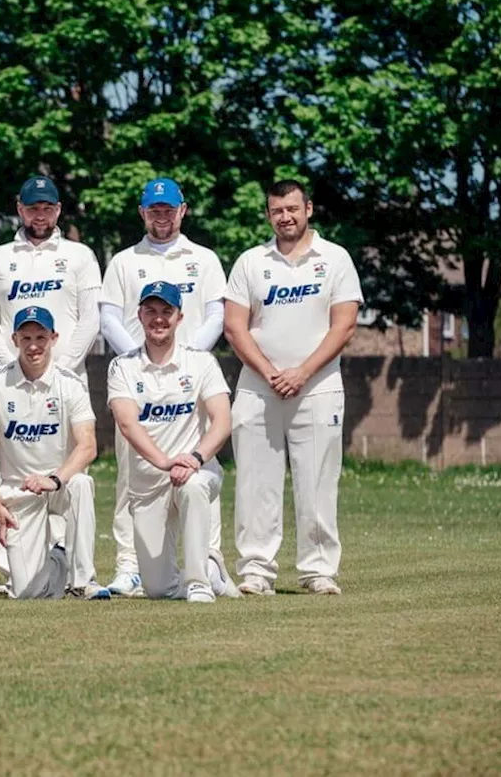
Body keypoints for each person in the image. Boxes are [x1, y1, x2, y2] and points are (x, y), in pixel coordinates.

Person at [223, 180, 363, 596]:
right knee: (254, 484)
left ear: (309, 209)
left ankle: (318, 571)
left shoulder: (335, 259)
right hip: (257, 388)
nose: (285, 217)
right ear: (268, 215)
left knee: (317, 482)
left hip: (318, 388)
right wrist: (270, 373)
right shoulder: (251, 261)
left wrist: (302, 372)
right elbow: (234, 326)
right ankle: (256, 571)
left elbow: (345, 324)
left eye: (292, 209)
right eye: (276, 210)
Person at [99, 177, 228, 598]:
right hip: (139, 378)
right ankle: (129, 565)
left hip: (188, 375)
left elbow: (214, 314)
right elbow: (111, 318)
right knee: (132, 474)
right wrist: (140, 360)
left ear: (182, 210)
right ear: (142, 213)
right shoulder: (123, 261)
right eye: (154, 210)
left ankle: (207, 562)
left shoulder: (204, 258)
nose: (161, 217)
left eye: (168, 209)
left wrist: (186, 357)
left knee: (198, 473)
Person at [0, 175, 101, 591]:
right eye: (33, 207)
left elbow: (88, 319)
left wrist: (55, 365)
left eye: (48, 207)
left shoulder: (79, 256)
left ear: (58, 210)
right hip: (13, 378)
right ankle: (19, 567)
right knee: (16, 467)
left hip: (64, 375)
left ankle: (78, 572)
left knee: (72, 475)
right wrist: (16, 364)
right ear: (20, 208)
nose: (40, 214)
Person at [100, 281, 239, 603]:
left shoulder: (201, 361)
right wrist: (165, 462)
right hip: (148, 482)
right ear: (139, 315)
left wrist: (194, 459)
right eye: (151, 311)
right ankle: (212, 572)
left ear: (179, 317)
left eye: (167, 311)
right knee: (159, 589)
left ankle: (199, 583)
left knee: (191, 486)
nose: (158, 318)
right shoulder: (122, 366)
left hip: (196, 470)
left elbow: (222, 420)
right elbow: (127, 423)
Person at [0, 306, 98, 599]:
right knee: (28, 591)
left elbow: (88, 445)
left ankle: (82, 581)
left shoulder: (70, 383)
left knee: (81, 483)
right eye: (26, 337)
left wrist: (54, 479)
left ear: (53, 338)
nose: (33, 346)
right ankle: (57, 561)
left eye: (40, 337)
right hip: (19, 491)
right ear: (14, 339)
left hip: (60, 483)